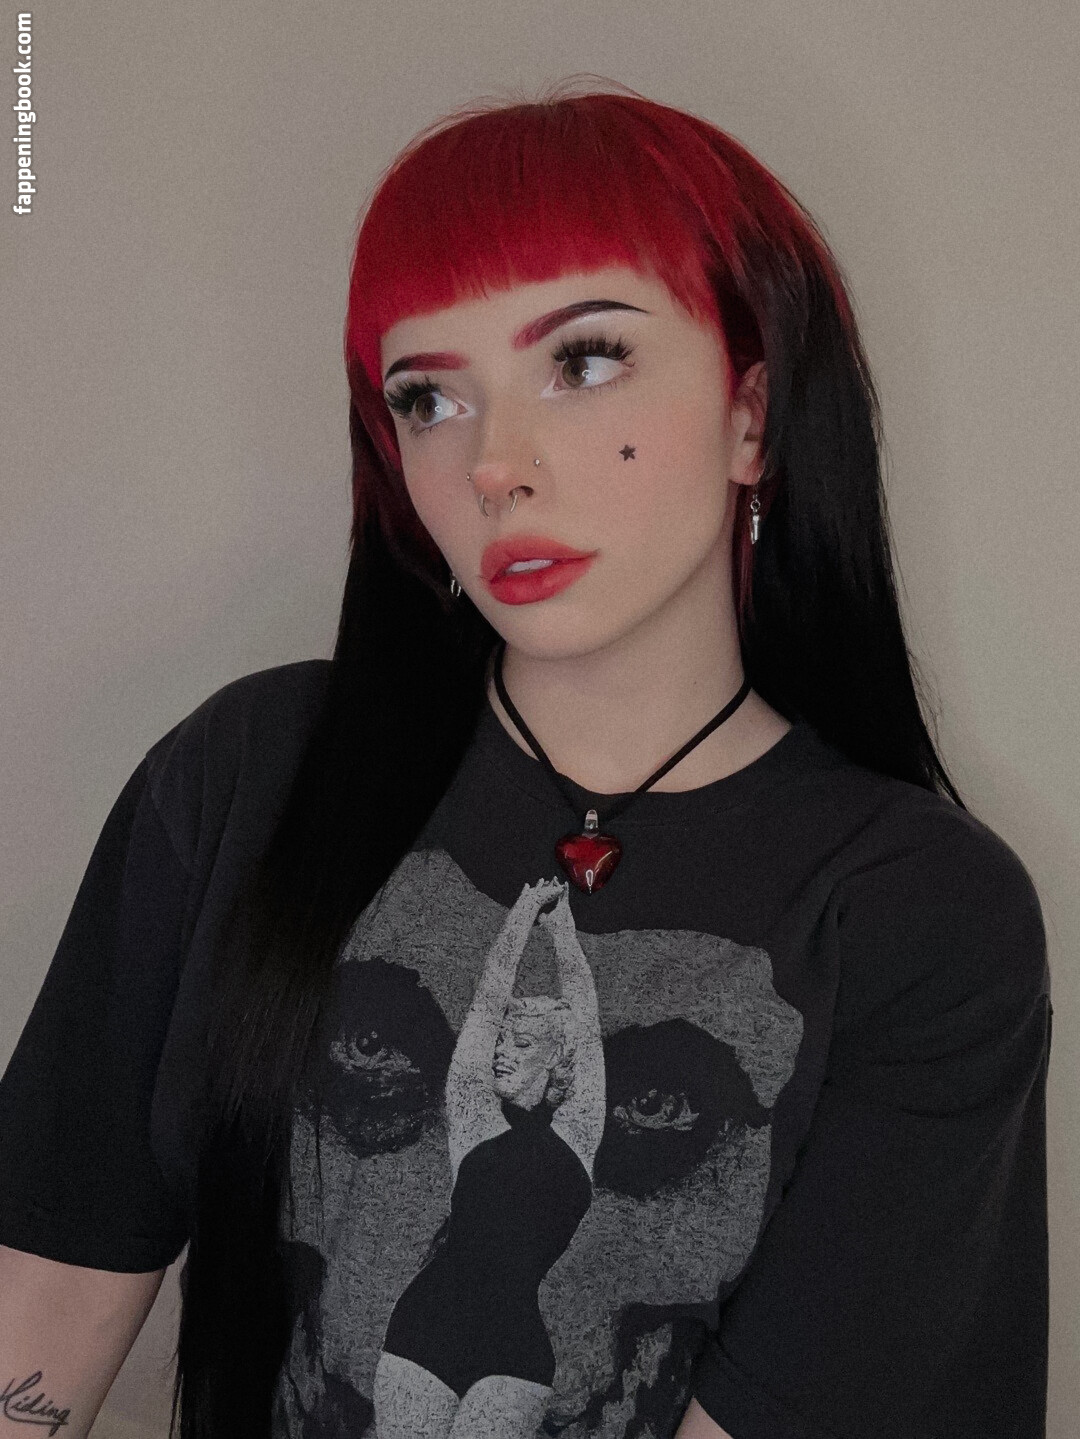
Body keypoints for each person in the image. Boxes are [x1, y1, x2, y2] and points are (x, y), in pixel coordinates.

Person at [0, 77, 1051, 1439]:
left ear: (753, 414)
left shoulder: (916, 911)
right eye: (429, 398)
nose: (495, 463)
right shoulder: (247, 779)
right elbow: (44, 1297)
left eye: (584, 361)